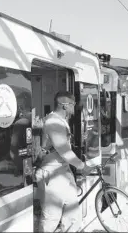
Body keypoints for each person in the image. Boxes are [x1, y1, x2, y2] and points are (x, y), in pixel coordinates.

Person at [35, 91, 93, 232]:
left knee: (73, 216)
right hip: (52, 175)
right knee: (51, 218)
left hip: (63, 173)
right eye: (73, 104)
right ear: (64, 105)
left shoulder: (60, 121)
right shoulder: (54, 122)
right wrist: (82, 166)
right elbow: (65, 152)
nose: (75, 108)